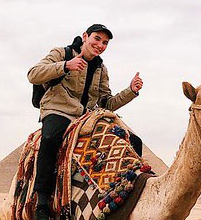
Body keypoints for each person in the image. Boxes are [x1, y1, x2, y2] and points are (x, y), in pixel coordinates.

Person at [27, 24, 143, 219]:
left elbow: (107, 103)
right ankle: (43, 202)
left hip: (87, 115)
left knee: (133, 141)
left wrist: (130, 91)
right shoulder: (61, 53)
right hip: (59, 109)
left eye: (105, 43)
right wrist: (65, 66)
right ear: (85, 36)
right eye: (97, 39)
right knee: (50, 138)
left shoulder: (101, 68)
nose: (100, 45)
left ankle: (122, 194)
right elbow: (33, 74)